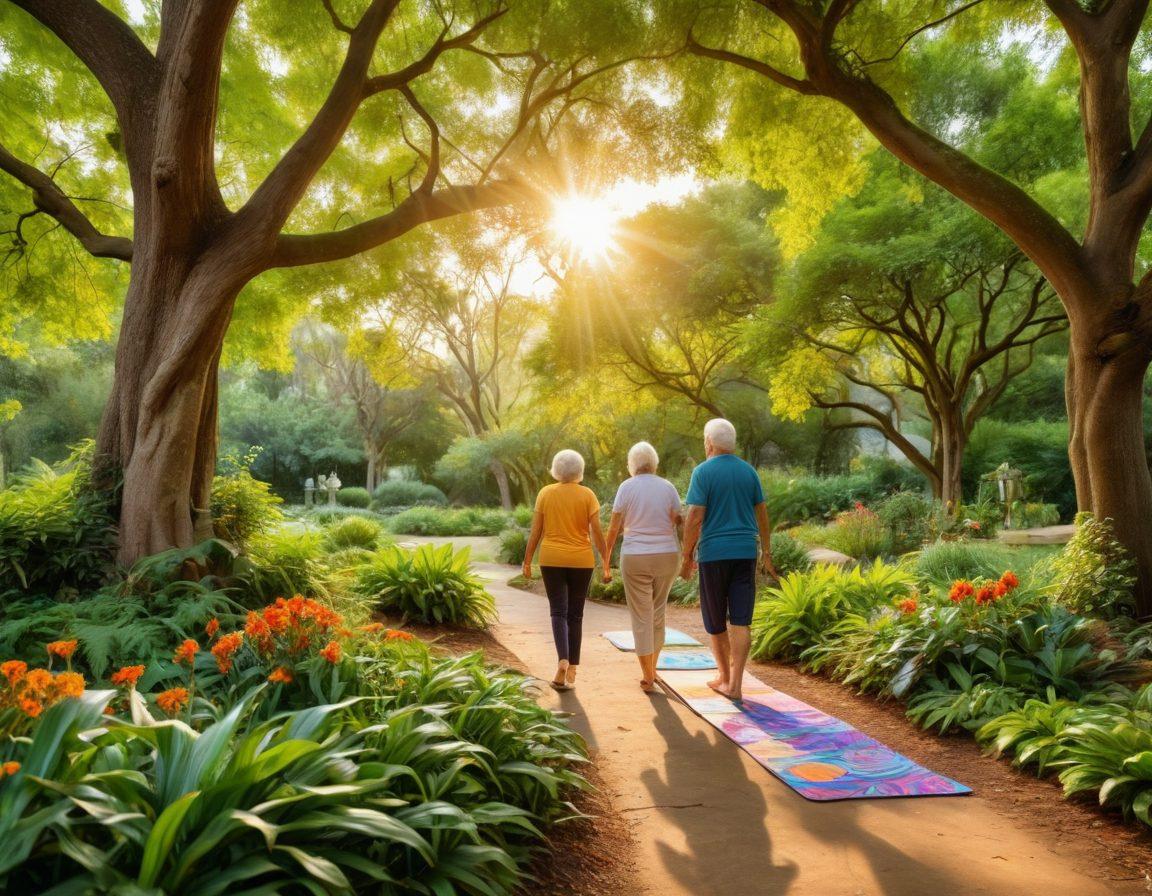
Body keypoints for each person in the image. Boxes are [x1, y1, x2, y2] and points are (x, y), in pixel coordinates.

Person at [680, 419, 777, 701]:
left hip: (714, 555)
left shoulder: (702, 472)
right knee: (741, 620)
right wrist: (766, 552)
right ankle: (735, 684)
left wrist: (686, 556)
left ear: (709, 443)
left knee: (715, 619)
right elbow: (762, 513)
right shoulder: (749, 472)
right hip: (745, 551)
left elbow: (695, 516)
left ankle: (724, 677)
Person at [522, 449, 611, 691]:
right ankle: (573, 667)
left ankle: (562, 660)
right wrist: (605, 562)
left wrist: (528, 559)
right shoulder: (588, 495)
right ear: (579, 470)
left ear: (555, 469)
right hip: (581, 560)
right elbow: (596, 532)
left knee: (558, 612)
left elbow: (536, 531)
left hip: (551, 558)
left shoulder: (545, 493)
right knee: (576, 615)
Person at [605, 442, 682, 694]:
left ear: (631, 465)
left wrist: (605, 561)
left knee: (641, 616)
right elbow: (678, 521)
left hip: (635, 557)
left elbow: (614, 527)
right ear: (654, 463)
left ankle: (648, 675)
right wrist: (689, 555)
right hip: (666, 556)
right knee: (658, 613)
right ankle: (654, 669)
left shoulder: (626, 487)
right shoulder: (668, 487)